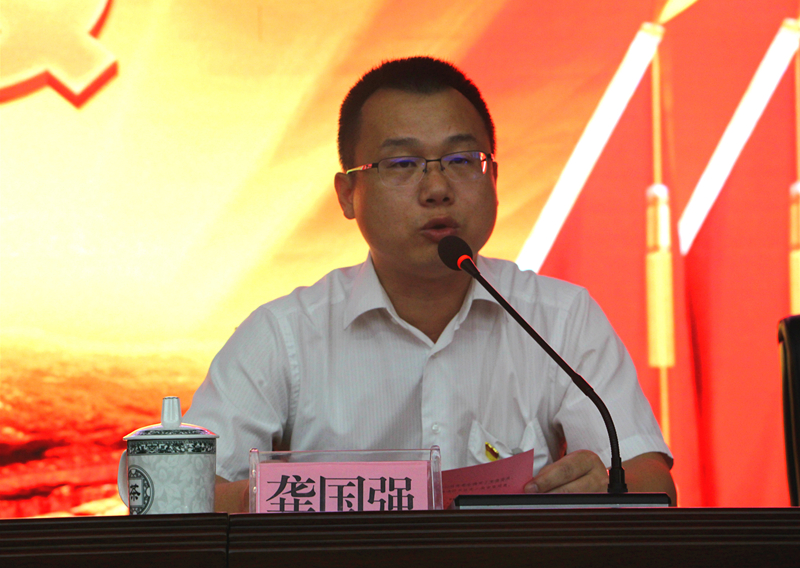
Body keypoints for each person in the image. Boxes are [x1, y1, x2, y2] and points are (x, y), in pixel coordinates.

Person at [185, 57, 676, 512]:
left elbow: (652, 480)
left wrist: (604, 487)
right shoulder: (283, 336)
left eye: (461, 161)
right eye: (401, 165)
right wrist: (298, 495)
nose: (437, 189)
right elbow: (184, 492)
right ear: (348, 194)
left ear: (493, 178)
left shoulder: (560, 318)